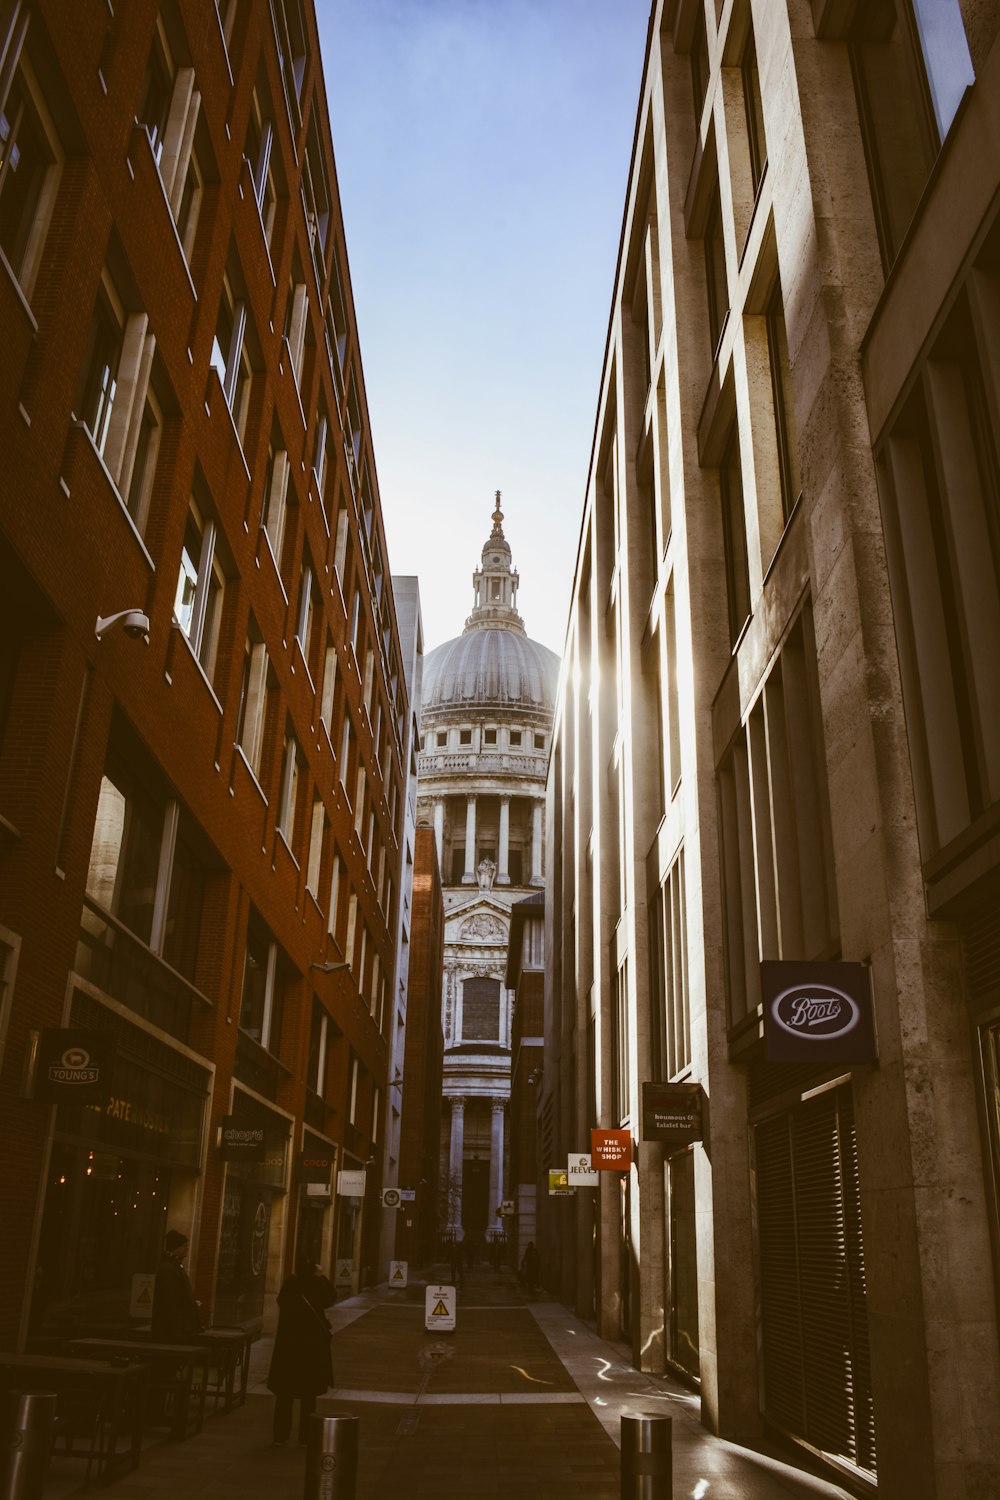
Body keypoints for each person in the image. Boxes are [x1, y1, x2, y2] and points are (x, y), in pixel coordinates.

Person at [267, 1257, 336, 1446]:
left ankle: (280, 1436)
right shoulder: (316, 1285)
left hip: (288, 1350)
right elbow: (331, 1298)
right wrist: (321, 1277)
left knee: (284, 1396)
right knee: (308, 1396)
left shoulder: (290, 1284)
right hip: (310, 1351)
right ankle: (305, 1437)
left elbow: (281, 1301)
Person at [151, 1229, 202, 1342]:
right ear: (176, 1248)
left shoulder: (175, 1266)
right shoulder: (168, 1269)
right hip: (173, 1330)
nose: (187, 1249)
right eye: (184, 1246)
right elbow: (169, 1301)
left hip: (178, 1328)